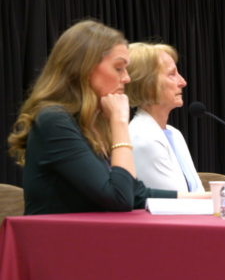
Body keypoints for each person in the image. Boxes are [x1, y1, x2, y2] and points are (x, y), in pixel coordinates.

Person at [7, 20, 206, 215]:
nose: (127, 78)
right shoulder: (53, 121)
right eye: (119, 68)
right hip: (55, 244)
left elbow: (136, 194)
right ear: (84, 70)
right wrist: (119, 122)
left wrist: (212, 199)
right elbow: (119, 198)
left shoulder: (92, 124)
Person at [125, 43, 204, 193]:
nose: (183, 82)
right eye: (172, 74)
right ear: (147, 85)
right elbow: (177, 203)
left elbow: (196, 192)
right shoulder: (142, 138)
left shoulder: (174, 134)